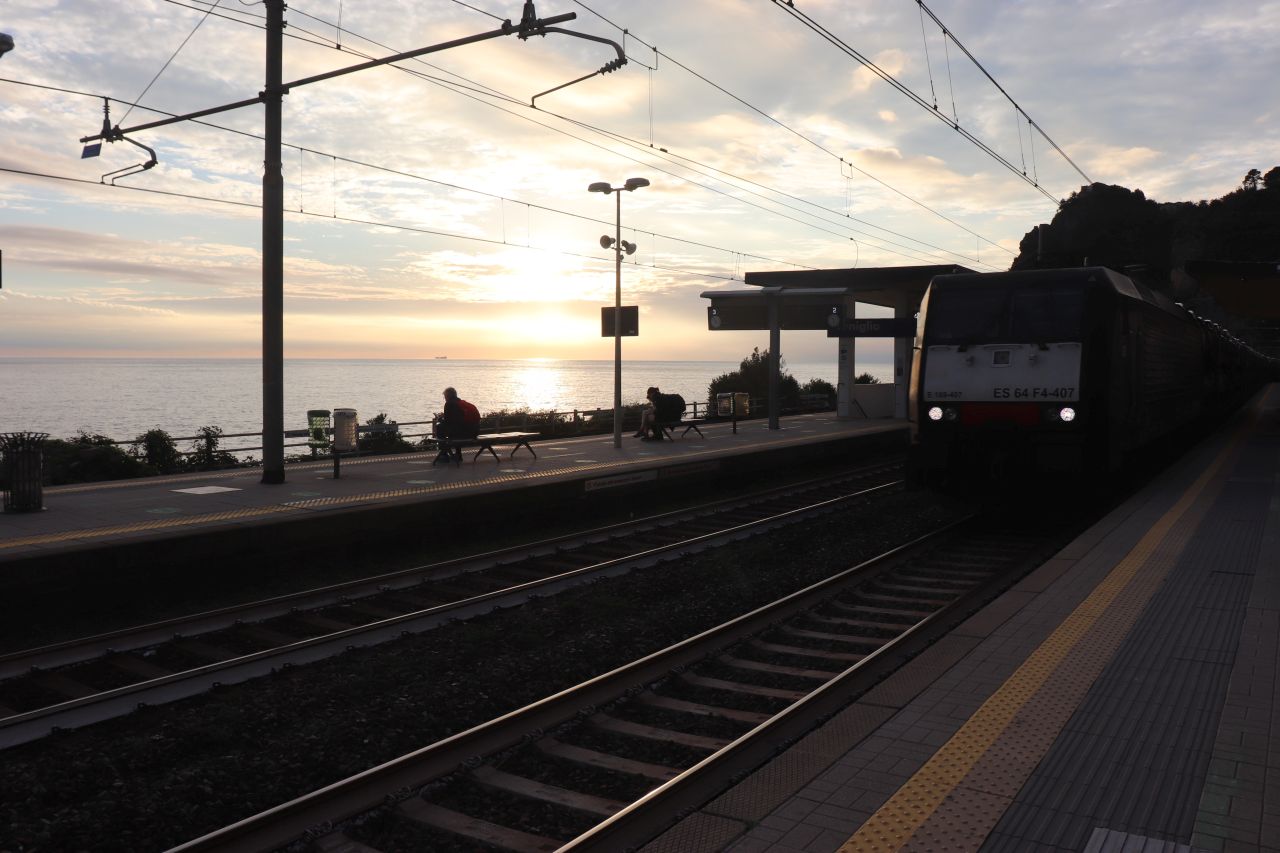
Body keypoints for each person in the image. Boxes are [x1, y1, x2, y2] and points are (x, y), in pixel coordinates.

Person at [436, 386, 480, 462]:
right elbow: (458, 420)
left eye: (445, 397)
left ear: (448, 396)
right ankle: (458, 454)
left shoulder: (449, 404)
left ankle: (444, 454)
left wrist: (440, 418)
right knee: (457, 428)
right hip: (473, 433)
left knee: (439, 426)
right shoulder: (462, 403)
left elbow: (448, 422)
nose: (445, 399)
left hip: (460, 434)